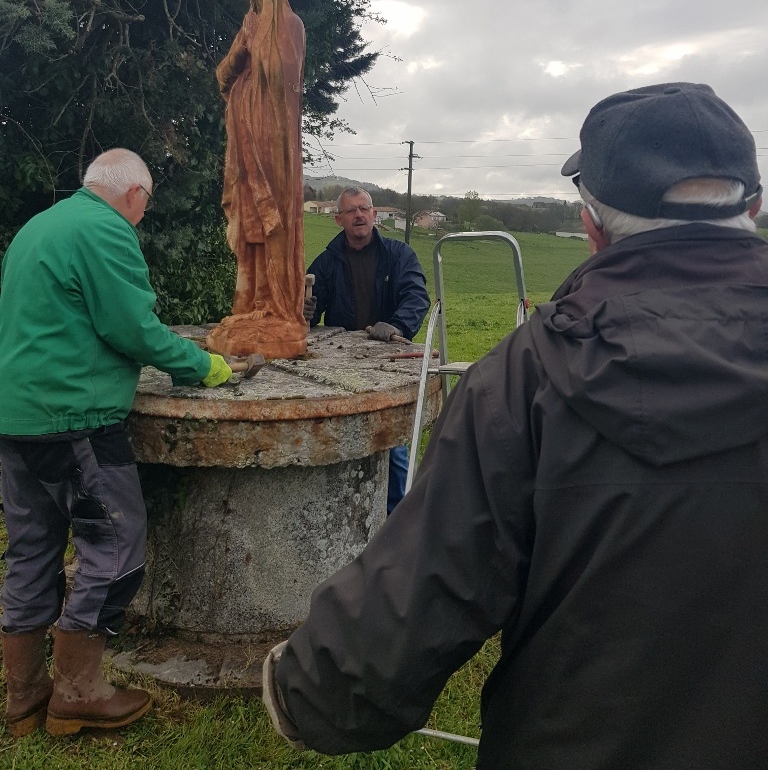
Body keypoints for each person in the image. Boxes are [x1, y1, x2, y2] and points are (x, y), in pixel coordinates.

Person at [263, 83, 768, 769]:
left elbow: (416, 601)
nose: (354, 217)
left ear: (591, 225)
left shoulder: (523, 380)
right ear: (756, 206)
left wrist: (306, 693)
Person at [0, 149, 232, 739]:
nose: (142, 215)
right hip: (73, 417)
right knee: (117, 548)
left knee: (31, 551)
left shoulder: (40, 226)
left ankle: (23, 698)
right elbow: (133, 328)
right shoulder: (105, 230)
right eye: (146, 204)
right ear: (135, 194)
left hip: (17, 417)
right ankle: (78, 692)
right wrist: (206, 366)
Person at [207, 0, 307, 360]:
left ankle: (278, 307)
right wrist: (240, 52)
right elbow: (222, 75)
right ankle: (250, 304)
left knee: (274, 219)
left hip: (274, 140)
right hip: (244, 134)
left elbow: (287, 76)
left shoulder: (291, 25)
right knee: (249, 214)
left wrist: (255, 50)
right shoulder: (249, 24)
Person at [305, 187, 430, 511]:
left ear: (374, 215)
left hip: (386, 357)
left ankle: (397, 518)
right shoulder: (328, 261)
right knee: (340, 435)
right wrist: (302, 314)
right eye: (351, 211)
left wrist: (397, 325)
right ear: (339, 219)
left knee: (392, 443)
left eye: (364, 208)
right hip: (341, 361)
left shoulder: (399, 255)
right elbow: (307, 310)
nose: (359, 215)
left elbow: (416, 297)